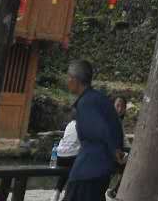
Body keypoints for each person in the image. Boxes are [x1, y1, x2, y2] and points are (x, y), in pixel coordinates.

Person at [63, 60, 125, 201]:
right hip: (102, 169)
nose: (67, 81)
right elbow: (114, 128)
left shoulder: (86, 102)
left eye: (68, 77)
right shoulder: (100, 99)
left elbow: (100, 130)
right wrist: (116, 150)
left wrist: (114, 150)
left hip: (88, 169)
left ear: (75, 80)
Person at [51, 117, 80, 201]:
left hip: (59, 156)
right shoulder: (84, 124)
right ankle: (68, 195)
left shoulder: (70, 124)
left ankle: (56, 193)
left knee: (66, 170)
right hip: (72, 157)